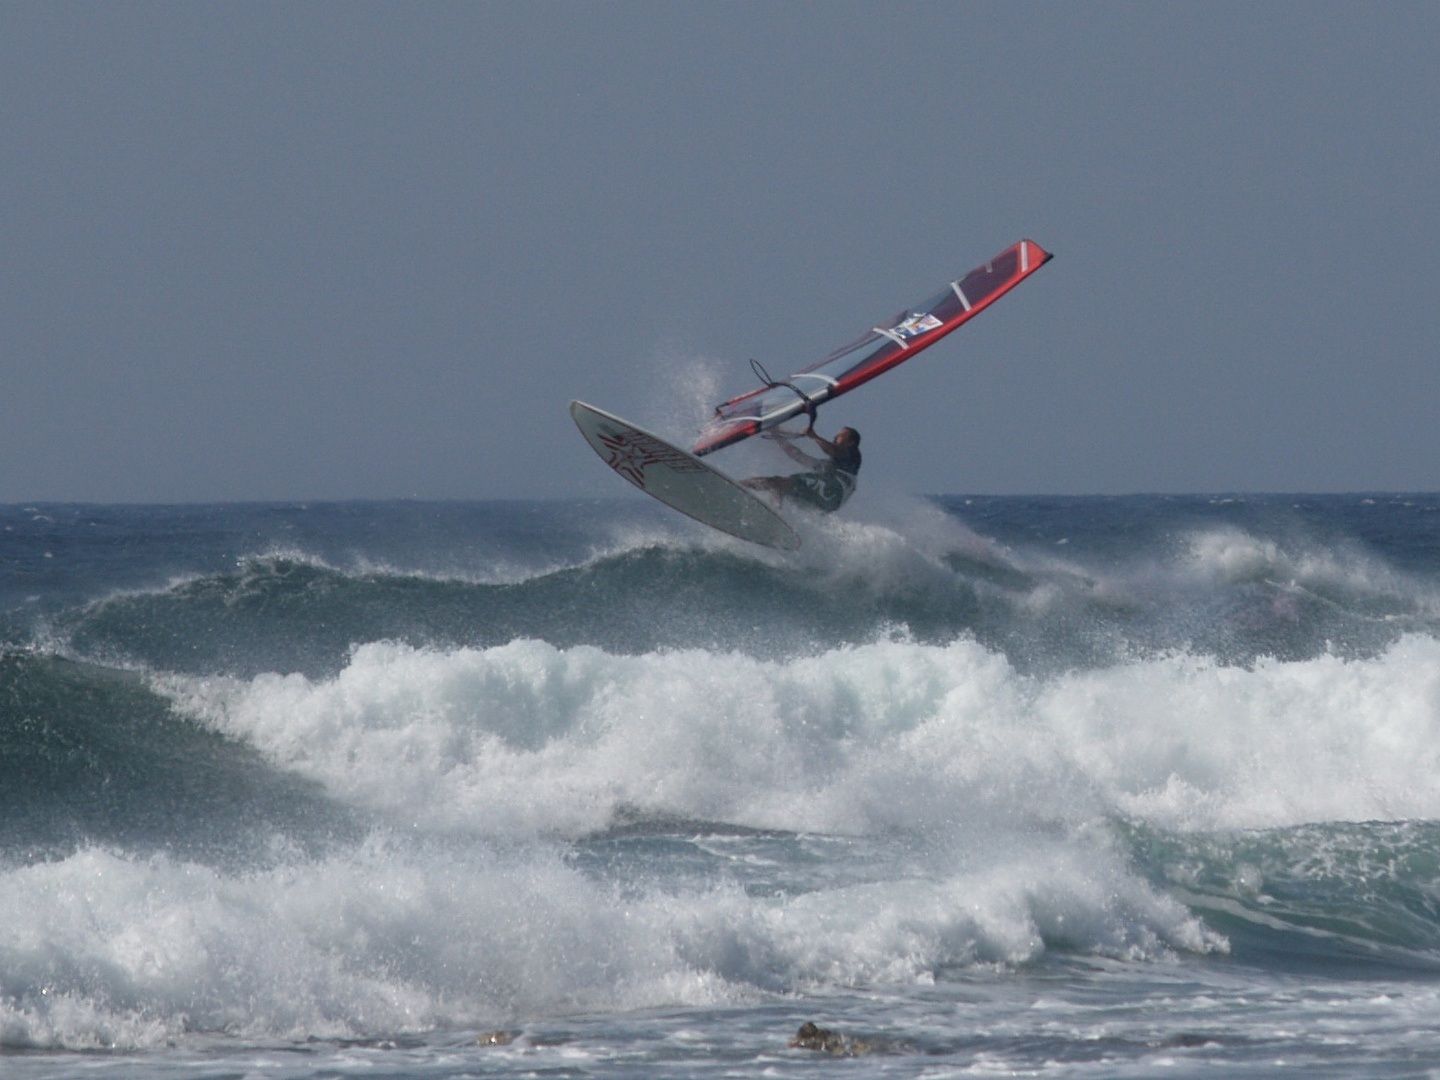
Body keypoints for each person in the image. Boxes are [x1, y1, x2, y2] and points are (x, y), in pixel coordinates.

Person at [742, 425, 861, 513]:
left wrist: (814, 436)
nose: (835, 438)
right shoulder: (826, 466)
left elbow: (833, 450)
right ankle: (772, 510)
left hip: (833, 491)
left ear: (850, 442)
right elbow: (796, 455)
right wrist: (776, 435)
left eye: (839, 436)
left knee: (783, 483)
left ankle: (771, 507)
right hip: (824, 502)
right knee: (776, 483)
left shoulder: (853, 455)